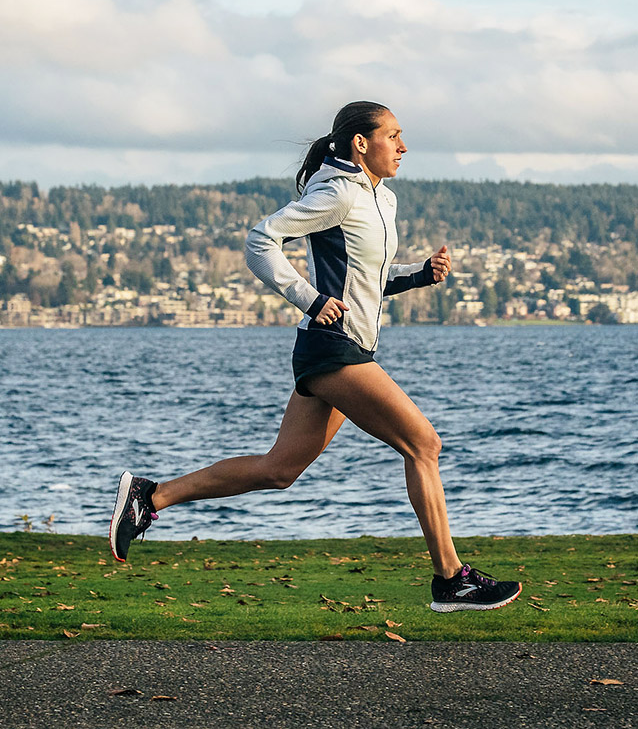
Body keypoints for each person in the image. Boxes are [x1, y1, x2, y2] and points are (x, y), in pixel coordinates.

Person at [109, 101, 521, 612]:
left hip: (343, 348)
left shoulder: (382, 199)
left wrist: (420, 274)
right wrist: (309, 298)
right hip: (334, 350)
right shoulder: (338, 193)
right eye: (394, 136)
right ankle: (451, 578)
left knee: (279, 469)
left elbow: (364, 280)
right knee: (423, 444)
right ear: (361, 143)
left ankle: (150, 498)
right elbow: (261, 241)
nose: (403, 146)